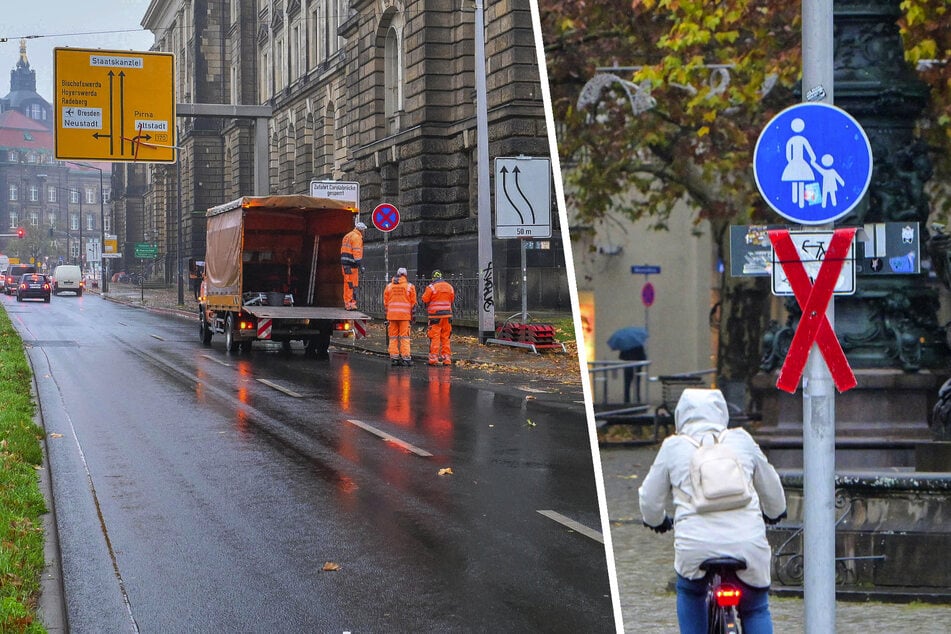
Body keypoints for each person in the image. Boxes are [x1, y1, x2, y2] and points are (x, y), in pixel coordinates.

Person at [639, 388, 787, 634]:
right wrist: (774, 512)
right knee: (755, 608)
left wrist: (657, 520)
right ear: (722, 413)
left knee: (690, 591)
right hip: (747, 544)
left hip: (696, 545)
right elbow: (771, 485)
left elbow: (649, 497)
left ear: (681, 415)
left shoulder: (673, 447)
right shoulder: (741, 440)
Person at [383, 267, 417, 366]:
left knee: (393, 337)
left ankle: (394, 357)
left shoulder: (389, 286)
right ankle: (406, 358)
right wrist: (413, 317)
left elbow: (385, 303)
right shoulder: (410, 287)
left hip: (392, 316)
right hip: (404, 316)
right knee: (404, 337)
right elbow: (413, 304)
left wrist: (387, 315)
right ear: (405, 275)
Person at [421, 270, 455, 366]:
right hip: (447, 316)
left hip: (435, 316)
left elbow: (425, 299)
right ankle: (447, 359)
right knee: (446, 337)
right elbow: (452, 299)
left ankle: (433, 359)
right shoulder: (450, 287)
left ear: (433, 278)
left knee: (435, 337)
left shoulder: (431, 287)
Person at [340, 221, 367, 310]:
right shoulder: (357, 237)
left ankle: (348, 303)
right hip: (352, 265)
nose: (364, 232)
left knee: (348, 284)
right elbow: (357, 252)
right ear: (361, 230)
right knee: (352, 284)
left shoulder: (347, 236)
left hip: (345, 264)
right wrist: (360, 265)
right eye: (364, 230)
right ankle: (350, 303)